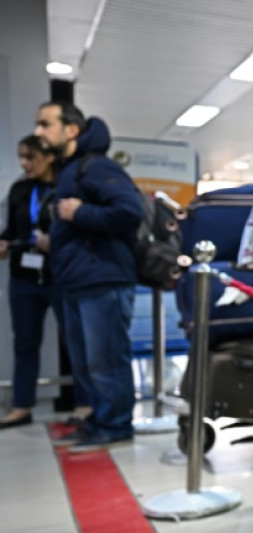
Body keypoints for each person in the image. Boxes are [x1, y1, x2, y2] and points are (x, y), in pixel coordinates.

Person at [34, 102, 143, 453]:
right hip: (78, 279)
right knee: (86, 362)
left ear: (71, 130)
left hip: (103, 278)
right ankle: (99, 420)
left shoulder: (95, 166)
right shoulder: (70, 170)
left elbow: (130, 211)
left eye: (45, 124)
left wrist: (81, 212)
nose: (39, 132)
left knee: (105, 358)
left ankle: (115, 425)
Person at [0, 135, 74, 428]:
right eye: (21, 157)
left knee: (74, 341)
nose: (24, 163)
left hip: (59, 276)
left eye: (30, 157)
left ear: (48, 157)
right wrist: (4, 244)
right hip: (24, 278)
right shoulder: (19, 190)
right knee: (25, 343)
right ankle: (21, 406)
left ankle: (83, 403)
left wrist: (54, 241)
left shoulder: (64, 189)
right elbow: (11, 229)